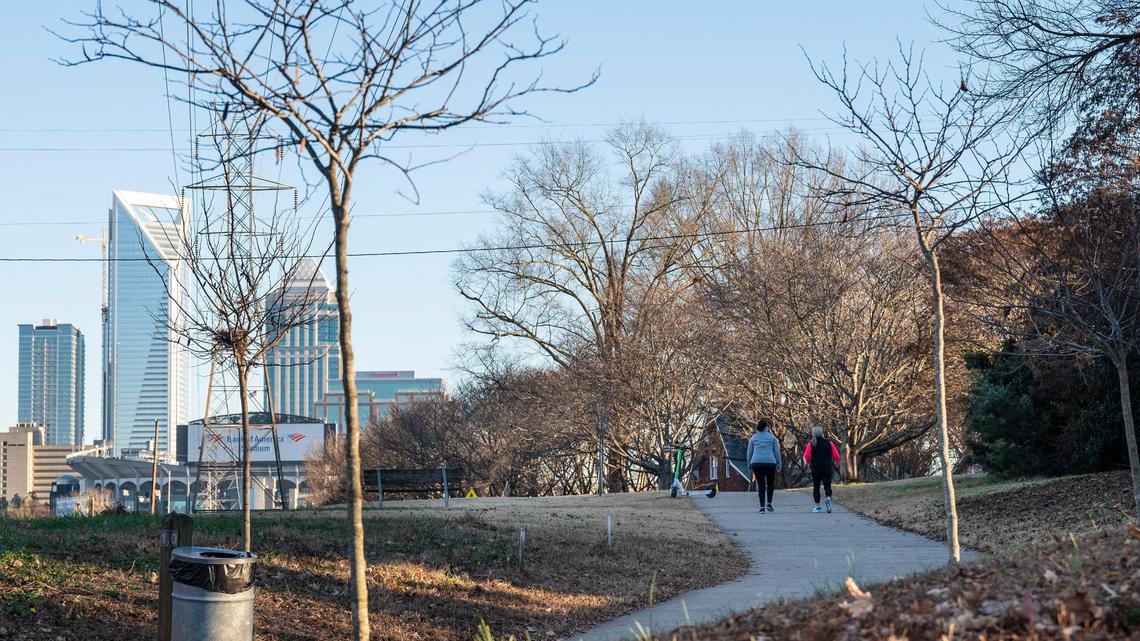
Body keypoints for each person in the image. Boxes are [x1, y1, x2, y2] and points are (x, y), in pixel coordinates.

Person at [746, 418, 781, 513]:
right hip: (770, 462)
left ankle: (762, 507)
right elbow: (777, 452)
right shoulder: (772, 438)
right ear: (766, 427)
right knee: (770, 483)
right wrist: (779, 463)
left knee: (761, 484)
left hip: (756, 463)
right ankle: (769, 504)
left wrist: (749, 464)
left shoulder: (753, 438)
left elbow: (749, 452)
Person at [803, 426, 841, 513]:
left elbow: (806, 455)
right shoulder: (828, 442)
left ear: (813, 434)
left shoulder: (811, 443)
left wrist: (808, 463)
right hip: (827, 467)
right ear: (822, 433)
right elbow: (837, 455)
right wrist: (837, 462)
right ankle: (828, 499)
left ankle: (818, 506)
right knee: (827, 485)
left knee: (816, 487)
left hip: (816, 468)